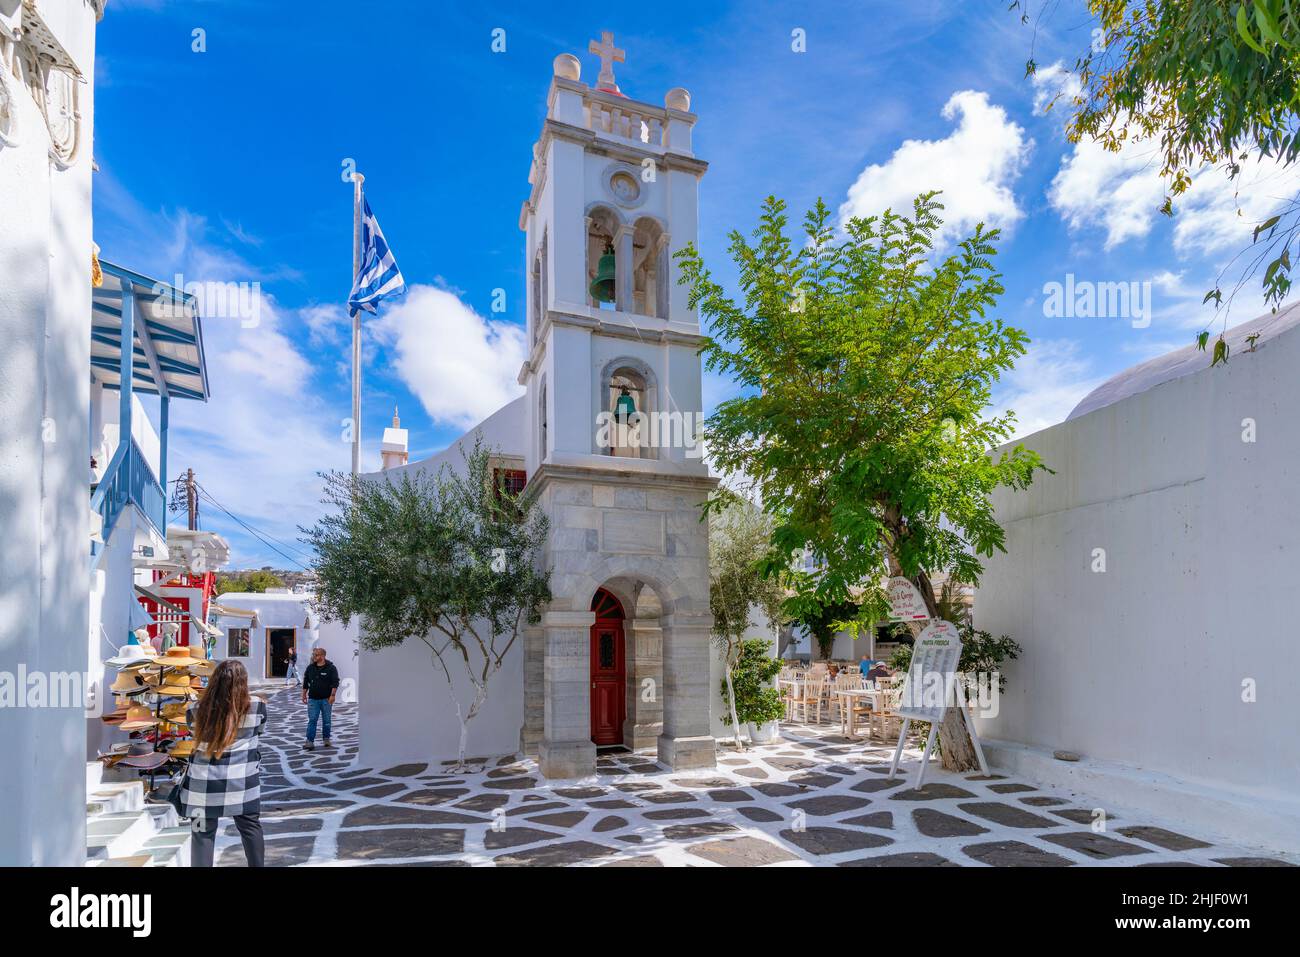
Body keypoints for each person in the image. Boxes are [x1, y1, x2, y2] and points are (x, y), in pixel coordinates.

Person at [183, 659, 266, 867]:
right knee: (250, 828)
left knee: (202, 835)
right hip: (242, 782)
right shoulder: (257, 706)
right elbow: (260, 730)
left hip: (203, 786)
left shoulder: (195, 709)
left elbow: (193, 732)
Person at [301, 646, 339, 750]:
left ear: (322, 656)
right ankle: (309, 741)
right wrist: (304, 694)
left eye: (316, 655)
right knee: (312, 720)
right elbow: (306, 682)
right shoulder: (310, 668)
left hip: (326, 699)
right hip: (313, 699)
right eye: (314, 654)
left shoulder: (331, 668)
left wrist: (332, 695)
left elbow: (335, 682)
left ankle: (326, 738)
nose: (314, 656)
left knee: (327, 720)